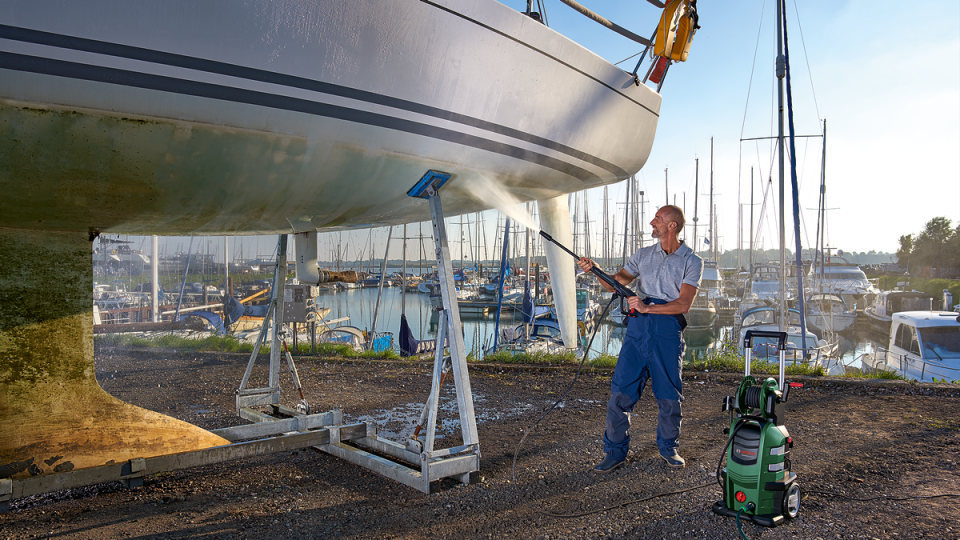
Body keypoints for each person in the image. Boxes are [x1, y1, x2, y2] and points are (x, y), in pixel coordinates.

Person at [578, 205, 703, 472]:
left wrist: (648, 307)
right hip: (638, 329)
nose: (652, 222)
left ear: (672, 225)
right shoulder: (644, 255)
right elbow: (616, 283)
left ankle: (669, 449)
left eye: (657, 219)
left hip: (667, 330)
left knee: (669, 395)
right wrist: (596, 270)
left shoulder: (692, 261)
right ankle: (614, 451)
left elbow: (683, 304)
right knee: (621, 392)